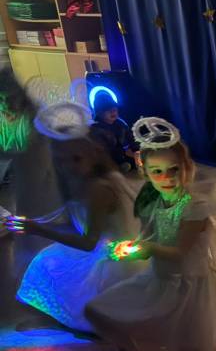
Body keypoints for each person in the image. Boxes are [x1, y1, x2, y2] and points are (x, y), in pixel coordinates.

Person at [86, 117, 216, 351]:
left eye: (173, 169)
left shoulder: (195, 207)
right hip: (158, 280)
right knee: (96, 309)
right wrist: (127, 249)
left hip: (190, 287)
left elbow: (179, 251)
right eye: (157, 171)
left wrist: (145, 249)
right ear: (146, 172)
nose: (166, 178)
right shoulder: (151, 202)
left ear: (186, 168)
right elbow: (148, 237)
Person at [5, 102, 141, 333]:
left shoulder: (99, 188)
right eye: (61, 161)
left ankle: (82, 319)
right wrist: (34, 224)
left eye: (76, 159)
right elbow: (74, 221)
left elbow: (88, 243)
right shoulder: (83, 181)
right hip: (102, 248)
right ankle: (62, 315)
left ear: (92, 154)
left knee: (50, 265)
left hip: (115, 259)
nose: (68, 166)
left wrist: (38, 229)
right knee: (47, 259)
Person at [88, 96, 136, 172]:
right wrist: (124, 152)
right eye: (107, 110)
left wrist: (136, 150)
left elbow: (131, 138)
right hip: (110, 159)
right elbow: (103, 151)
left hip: (125, 155)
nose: (113, 111)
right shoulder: (95, 129)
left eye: (114, 109)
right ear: (99, 113)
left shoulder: (120, 124)